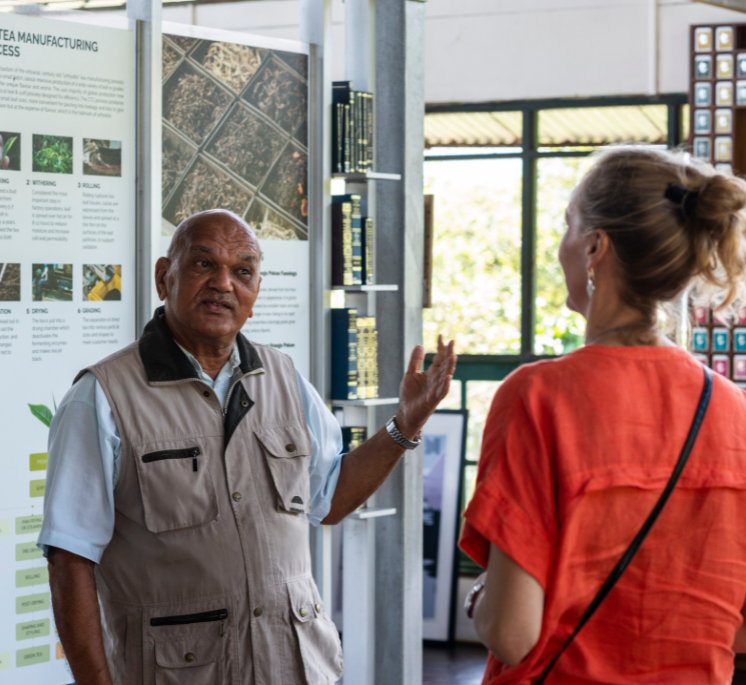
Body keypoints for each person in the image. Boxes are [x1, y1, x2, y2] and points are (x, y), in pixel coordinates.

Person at [38, 209, 456, 685]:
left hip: (292, 669)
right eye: (202, 264)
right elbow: (69, 558)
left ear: (256, 292)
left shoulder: (285, 378)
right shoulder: (102, 396)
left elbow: (330, 500)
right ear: (163, 277)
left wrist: (406, 423)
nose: (222, 284)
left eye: (242, 271)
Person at [460, 147, 746, 684]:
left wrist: (479, 599)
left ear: (596, 247)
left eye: (568, 226)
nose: (560, 246)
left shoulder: (537, 396)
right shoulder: (735, 411)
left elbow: (511, 633)